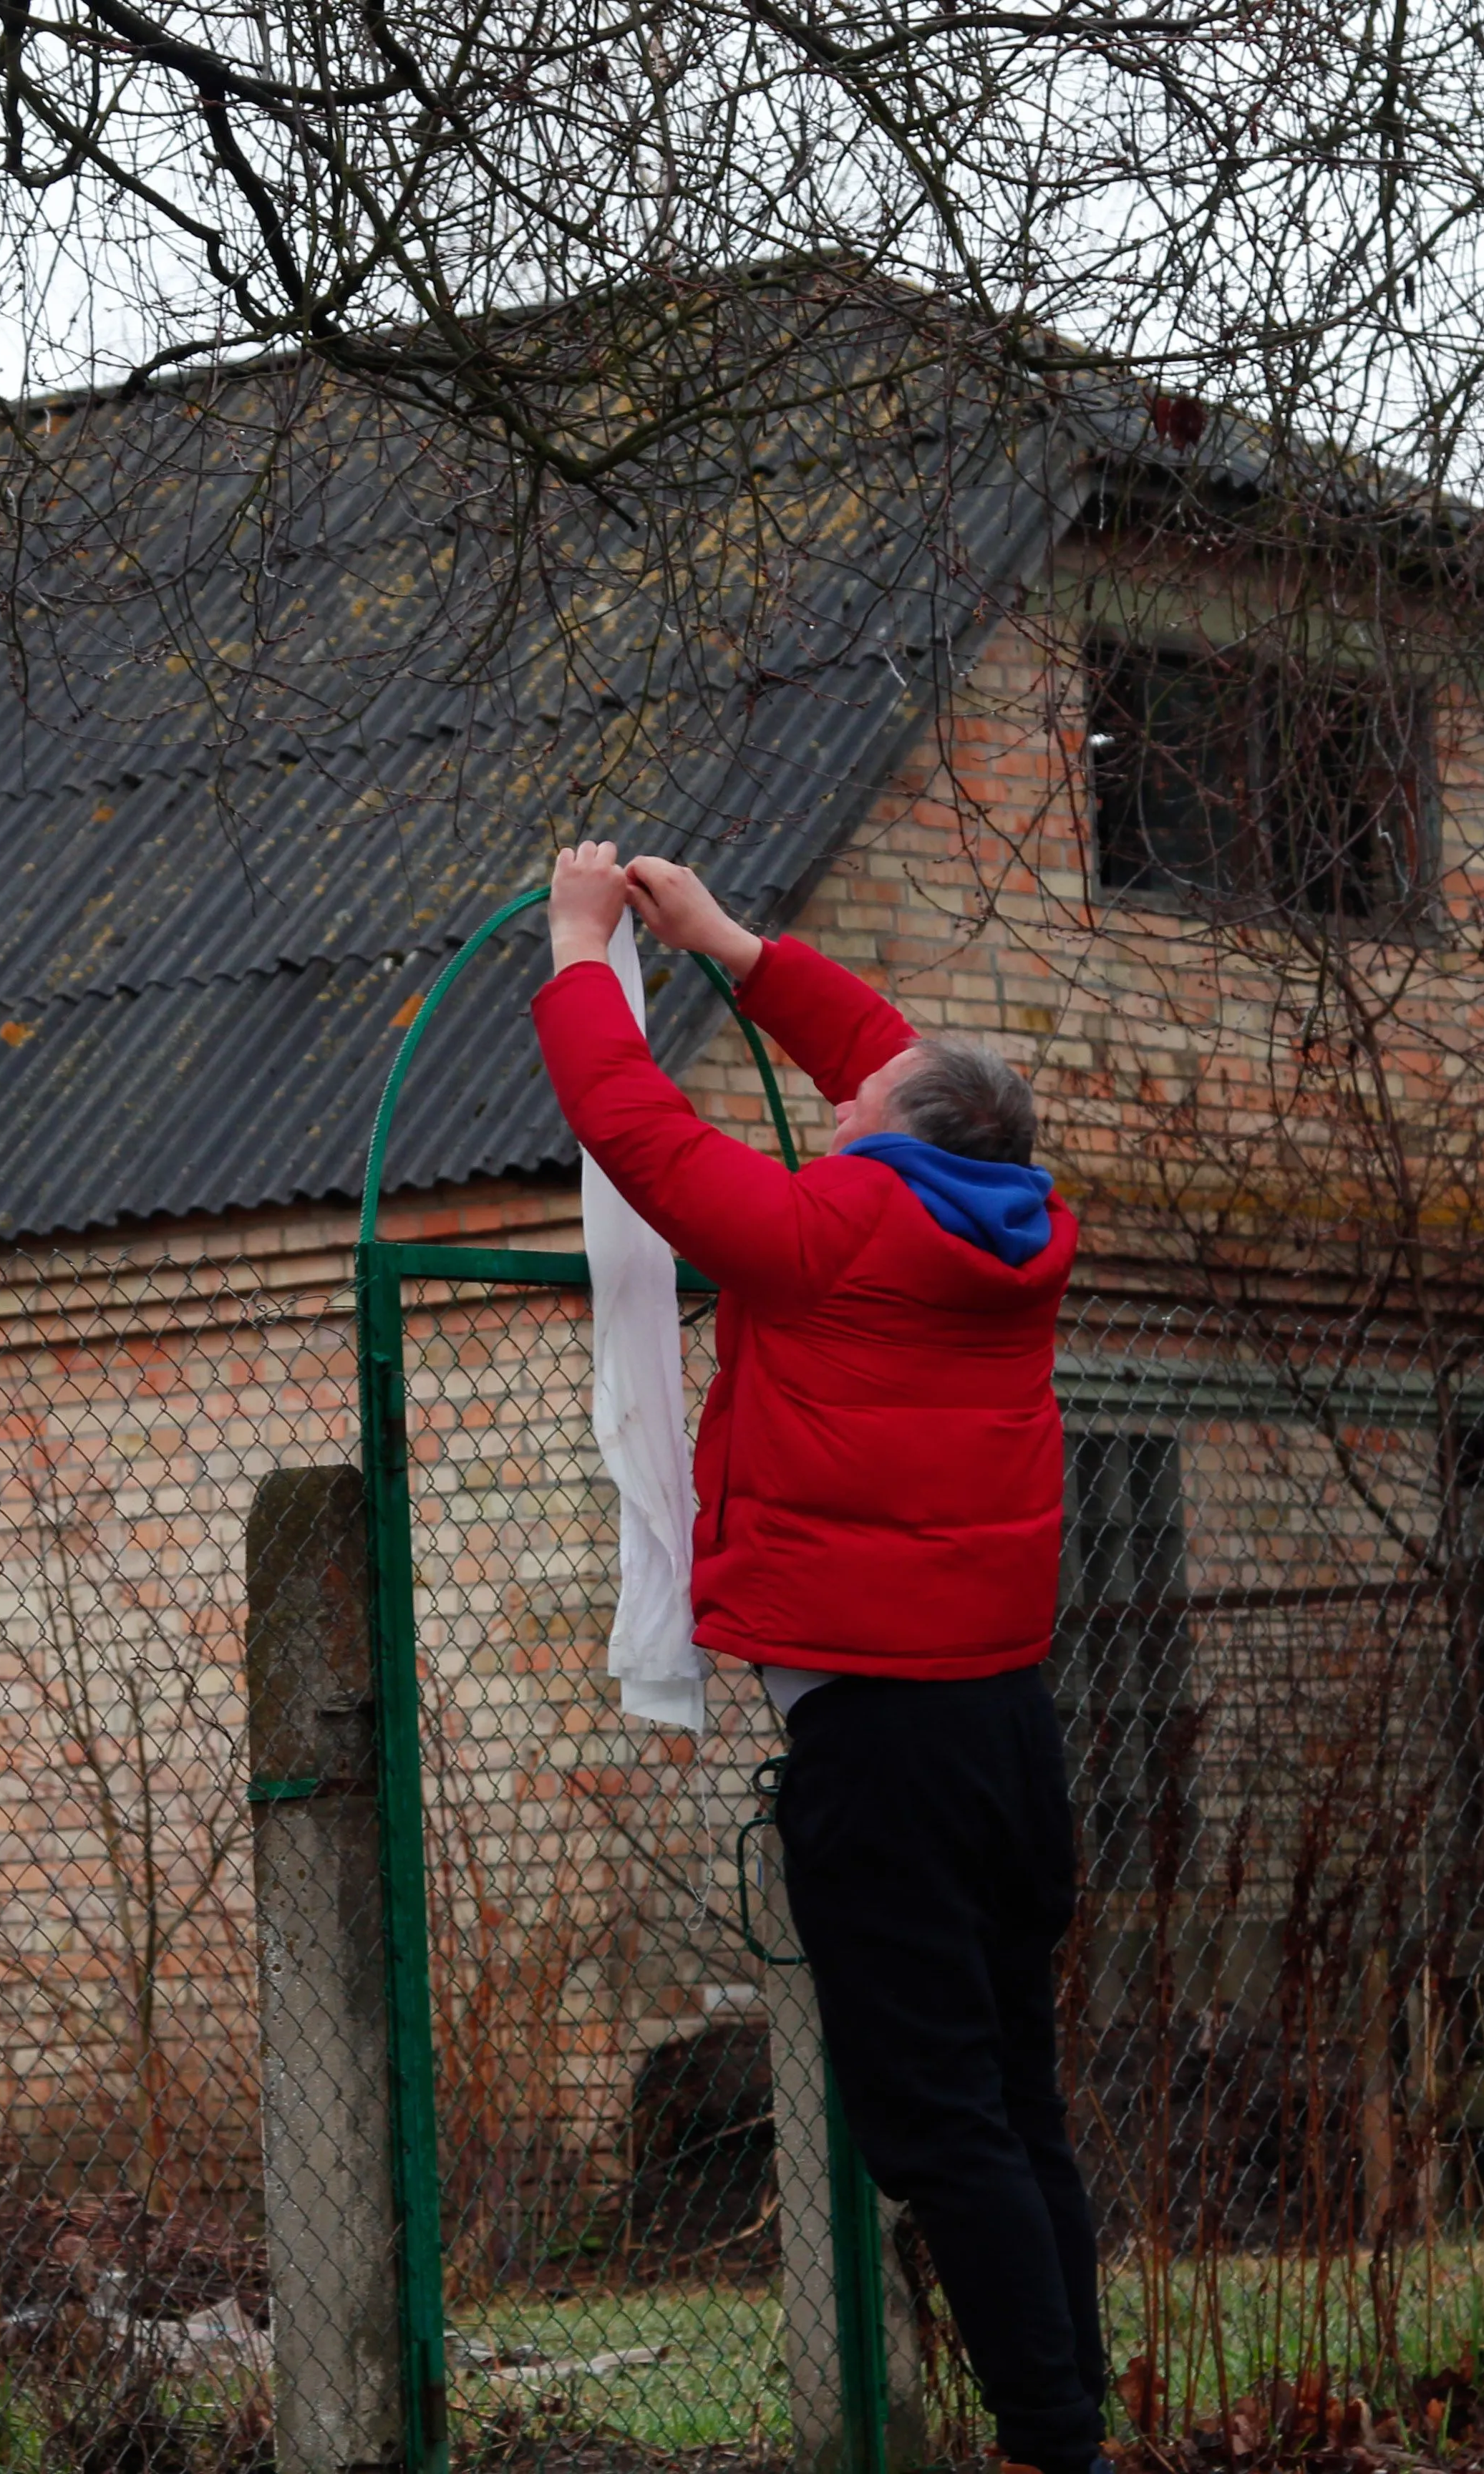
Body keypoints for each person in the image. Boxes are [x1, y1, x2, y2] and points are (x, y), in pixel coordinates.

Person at [530, 840, 1104, 2474]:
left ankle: (1054, 2447)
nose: (843, 1102)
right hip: (1005, 1729)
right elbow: (896, 1063)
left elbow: (637, 1133)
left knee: (937, 2128)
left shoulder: (828, 1235)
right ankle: (1070, 2427)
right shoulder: (1011, 1222)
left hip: (887, 1752)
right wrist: (720, 941)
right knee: (1016, 2104)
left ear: (893, 1152)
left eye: (862, 1110)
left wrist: (584, 952)